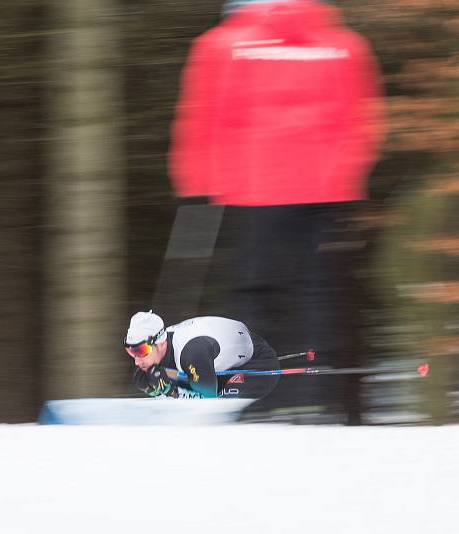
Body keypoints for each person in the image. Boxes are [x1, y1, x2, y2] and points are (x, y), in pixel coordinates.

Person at [167, 0, 385, 419]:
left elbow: (202, 117)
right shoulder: (344, 45)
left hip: (256, 187)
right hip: (325, 189)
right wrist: (348, 173)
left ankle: (261, 393)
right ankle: (310, 392)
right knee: (313, 290)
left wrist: (195, 182)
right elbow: (363, 118)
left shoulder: (221, 44)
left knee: (257, 288)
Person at [124, 310, 280, 399]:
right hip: (221, 357)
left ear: (162, 343)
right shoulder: (165, 343)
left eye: (141, 351)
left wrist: (169, 392)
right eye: (131, 351)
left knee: (221, 408)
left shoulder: (191, 353)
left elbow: (206, 406)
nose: (137, 361)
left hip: (258, 363)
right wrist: (158, 390)